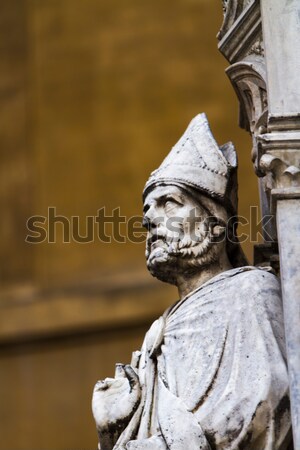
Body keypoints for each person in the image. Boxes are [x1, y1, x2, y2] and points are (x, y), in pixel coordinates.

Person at [92, 114, 291, 450]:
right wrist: (113, 429)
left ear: (215, 222)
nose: (150, 219)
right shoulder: (158, 332)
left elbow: (267, 403)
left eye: (168, 203)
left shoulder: (251, 292)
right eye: (147, 209)